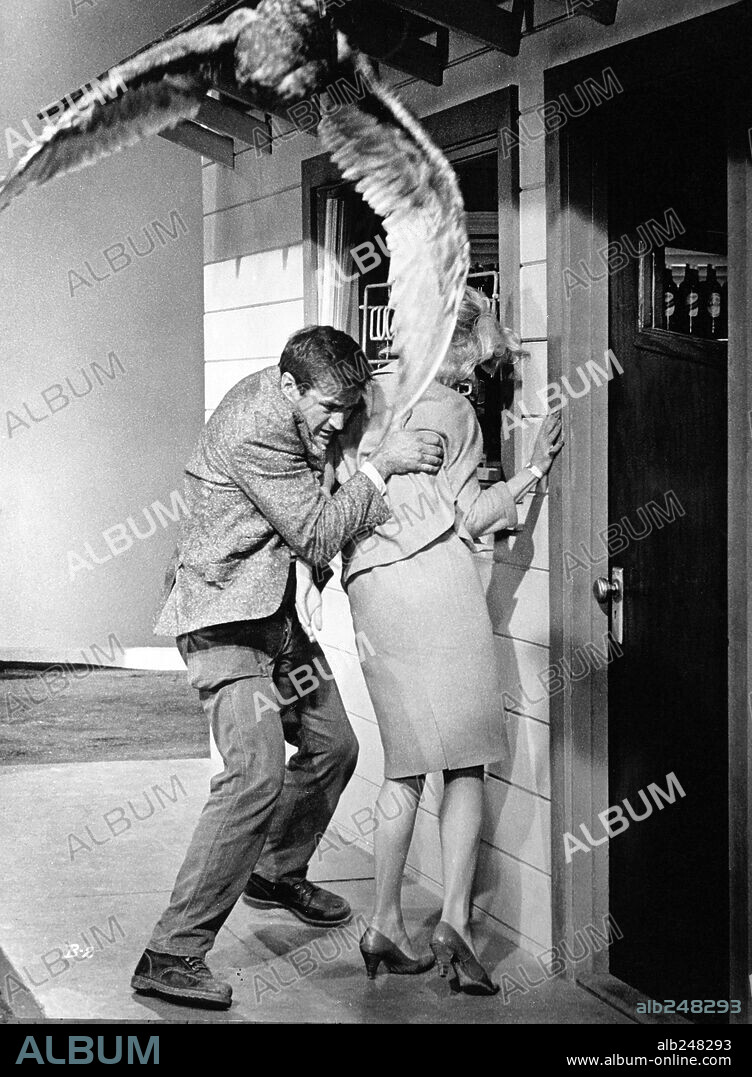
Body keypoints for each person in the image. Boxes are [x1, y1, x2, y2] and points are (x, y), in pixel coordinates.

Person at [131, 326, 445, 1010]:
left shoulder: (308, 409)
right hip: (221, 622)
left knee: (337, 744)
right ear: (288, 386)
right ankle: (171, 951)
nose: (338, 422)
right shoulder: (257, 429)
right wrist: (381, 464)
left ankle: (274, 869)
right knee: (255, 772)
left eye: (347, 406)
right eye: (328, 407)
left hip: (271, 618)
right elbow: (315, 532)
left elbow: (324, 487)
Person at [297, 289, 563, 995]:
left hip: (372, 593)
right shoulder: (456, 411)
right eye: (479, 355)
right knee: (469, 760)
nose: (481, 369)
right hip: (437, 588)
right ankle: (451, 922)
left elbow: (326, 488)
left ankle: (384, 920)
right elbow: (472, 518)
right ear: (463, 349)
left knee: (406, 766)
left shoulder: (361, 400)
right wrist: (532, 472)